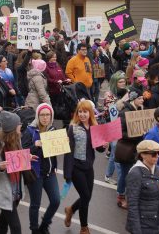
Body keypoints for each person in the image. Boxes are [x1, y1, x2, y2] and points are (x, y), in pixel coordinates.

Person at [0, 111, 36, 234]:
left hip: (16, 191)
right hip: (5, 193)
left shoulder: (17, 139)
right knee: (16, 228)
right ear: (12, 127)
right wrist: (0, 167)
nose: (21, 125)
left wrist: (27, 157)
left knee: (3, 222)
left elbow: (18, 160)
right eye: (19, 123)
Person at [63, 100, 106, 234]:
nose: (82, 114)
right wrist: (67, 173)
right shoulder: (73, 128)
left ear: (90, 113)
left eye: (85, 112)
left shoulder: (95, 126)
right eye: (80, 112)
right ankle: (84, 227)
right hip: (76, 168)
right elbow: (68, 151)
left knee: (87, 197)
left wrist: (103, 146)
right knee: (86, 196)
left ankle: (71, 209)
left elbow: (98, 148)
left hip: (89, 167)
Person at [21, 103, 60, 234]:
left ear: (51, 116)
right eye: (42, 115)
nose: (45, 118)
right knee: (35, 204)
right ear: (38, 116)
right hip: (35, 173)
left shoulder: (53, 130)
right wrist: (35, 145)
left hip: (49, 172)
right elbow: (23, 153)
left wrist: (54, 166)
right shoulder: (30, 131)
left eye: (47, 115)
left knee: (55, 200)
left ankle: (44, 224)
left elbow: (54, 152)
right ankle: (34, 229)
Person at [125, 140, 159, 233]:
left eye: (158, 153)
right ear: (142, 155)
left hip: (158, 224)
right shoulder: (135, 173)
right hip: (144, 226)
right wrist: (137, 230)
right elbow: (132, 204)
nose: (157, 156)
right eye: (153, 154)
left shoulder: (158, 170)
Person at [115, 88, 145, 209]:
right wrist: (135, 134)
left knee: (135, 174)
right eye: (140, 98)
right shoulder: (124, 112)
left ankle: (132, 197)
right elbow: (119, 132)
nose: (142, 100)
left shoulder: (140, 110)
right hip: (127, 148)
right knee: (125, 174)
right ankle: (121, 196)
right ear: (133, 99)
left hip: (138, 148)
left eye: (142, 98)